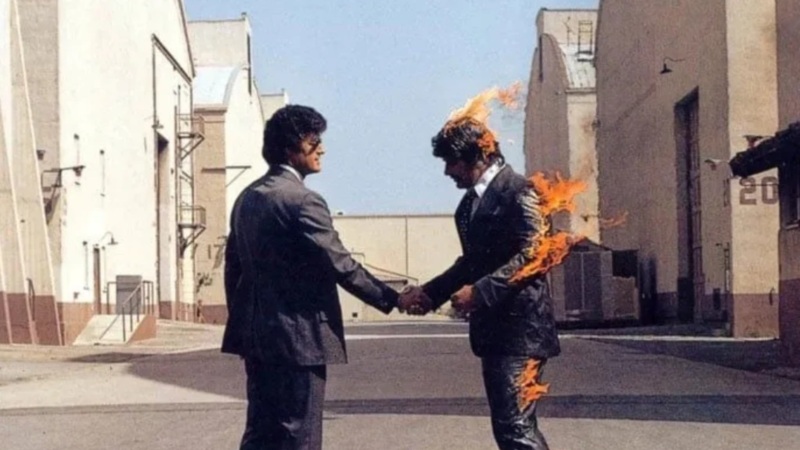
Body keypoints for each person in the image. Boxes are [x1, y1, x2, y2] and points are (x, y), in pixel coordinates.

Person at [221, 104, 425, 450]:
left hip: (258, 340)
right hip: (299, 341)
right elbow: (340, 263)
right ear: (290, 148)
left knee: (261, 434)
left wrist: (247, 322)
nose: (322, 149)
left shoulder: (246, 198)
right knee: (300, 435)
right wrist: (394, 298)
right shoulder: (303, 201)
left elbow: (233, 269)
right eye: (314, 141)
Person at [405, 118, 560, 449]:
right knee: (509, 428)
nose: (447, 171)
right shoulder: (470, 204)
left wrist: (480, 292)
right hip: (495, 334)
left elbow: (537, 254)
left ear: (479, 156)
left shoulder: (522, 192)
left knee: (516, 429)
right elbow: (471, 262)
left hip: (520, 333)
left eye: (452, 162)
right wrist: (430, 293)